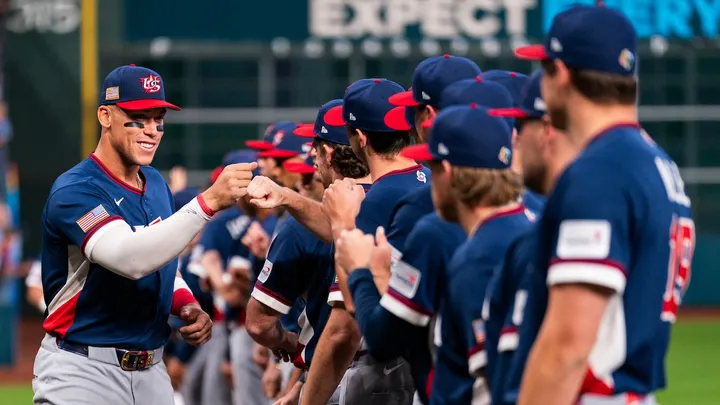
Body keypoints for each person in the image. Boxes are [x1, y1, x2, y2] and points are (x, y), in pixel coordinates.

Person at [34, 64, 256, 405]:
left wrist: (186, 305)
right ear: (105, 116)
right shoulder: (77, 190)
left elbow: (162, 262)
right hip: (82, 369)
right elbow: (130, 258)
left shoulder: (154, 183)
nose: (151, 130)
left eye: (158, 119)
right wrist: (208, 201)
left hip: (152, 369)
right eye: (138, 118)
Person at [510, 5, 694, 405]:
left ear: (560, 74)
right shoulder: (655, 161)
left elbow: (568, 346)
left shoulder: (601, 170)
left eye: (543, 70)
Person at [337, 71, 515, 405]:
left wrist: (363, 270)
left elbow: (382, 337)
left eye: (430, 167)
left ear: (447, 172)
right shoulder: (533, 221)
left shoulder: (435, 232)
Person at [248, 79, 425, 405]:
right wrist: (289, 197)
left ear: (359, 137)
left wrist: (307, 398)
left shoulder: (379, 199)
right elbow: (338, 227)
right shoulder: (423, 181)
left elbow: (345, 328)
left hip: (380, 365)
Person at [396, 105, 533, 405]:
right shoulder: (528, 228)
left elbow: (496, 381)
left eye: (431, 168)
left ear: (447, 172)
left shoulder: (477, 257)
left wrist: (374, 273)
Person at [246, 99, 372, 405]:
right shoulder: (399, 197)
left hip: (340, 371)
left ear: (327, 154)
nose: (311, 160)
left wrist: (289, 345)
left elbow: (258, 323)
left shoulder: (299, 226)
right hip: (407, 366)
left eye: (314, 148)